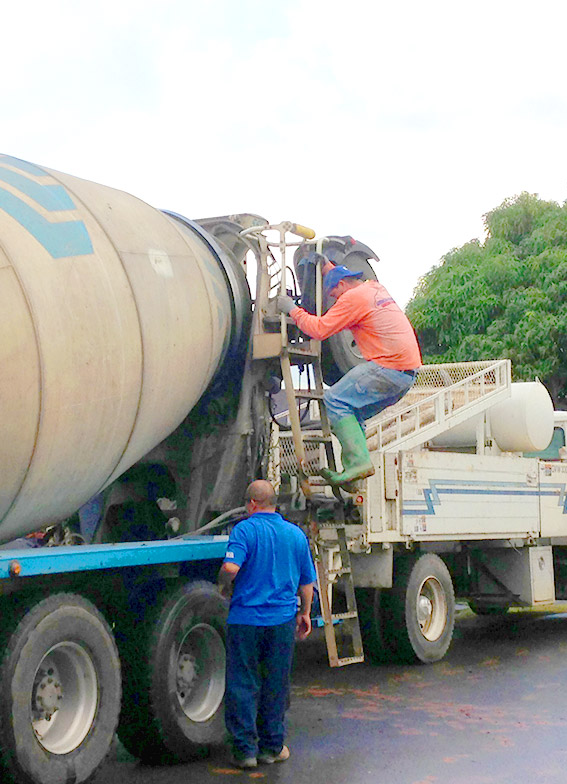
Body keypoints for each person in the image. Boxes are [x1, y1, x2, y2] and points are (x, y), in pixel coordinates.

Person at [272, 262, 422, 485]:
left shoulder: (353, 299)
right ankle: (355, 476)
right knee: (353, 412)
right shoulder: (375, 289)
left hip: (387, 368)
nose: (335, 301)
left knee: (335, 400)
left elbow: (319, 330)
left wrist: (292, 309)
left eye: (335, 294)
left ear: (342, 285)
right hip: (407, 375)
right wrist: (328, 267)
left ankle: (359, 463)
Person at [218, 479, 316, 769]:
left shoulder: (245, 530)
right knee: (275, 683)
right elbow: (306, 582)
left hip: (246, 620)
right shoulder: (295, 534)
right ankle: (272, 748)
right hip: (281, 621)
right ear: (274, 503)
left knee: (243, 683)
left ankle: (246, 751)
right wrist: (305, 613)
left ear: (251, 504)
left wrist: (222, 586)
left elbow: (230, 568)